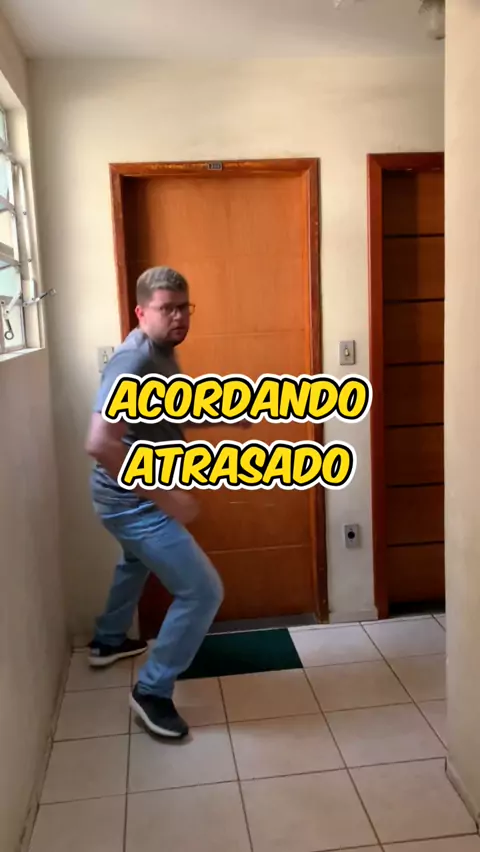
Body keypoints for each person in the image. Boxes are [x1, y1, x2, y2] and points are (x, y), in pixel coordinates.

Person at [86, 266, 245, 739]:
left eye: (184, 307)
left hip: (129, 495)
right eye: (167, 309)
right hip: (132, 501)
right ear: (141, 312)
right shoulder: (133, 362)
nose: (178, 317)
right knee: (202, 591)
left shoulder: (160, 352)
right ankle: (152, 691)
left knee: (134, 562)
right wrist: (165, 496)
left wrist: (224, 417)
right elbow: (100, 442)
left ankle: (107, 641)